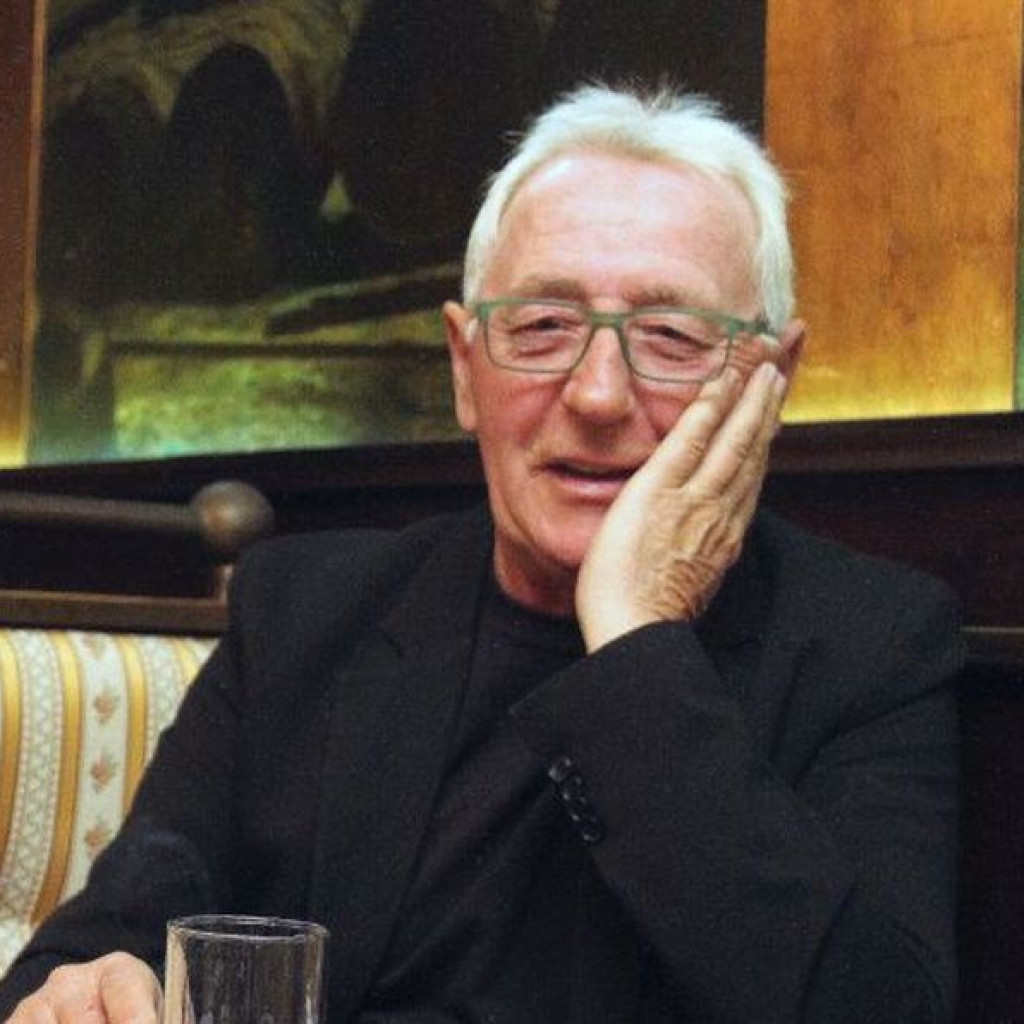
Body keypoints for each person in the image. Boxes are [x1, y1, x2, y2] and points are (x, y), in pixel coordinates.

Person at [0, 84, 961, 1024]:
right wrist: (91, 986)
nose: (596, 394)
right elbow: (106, 934)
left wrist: (636, 641)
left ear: (773, 382)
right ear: (465, 369)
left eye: (672, 336)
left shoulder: (870, 647)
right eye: (542, 327)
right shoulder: (306, 610)